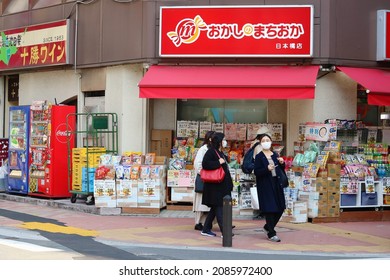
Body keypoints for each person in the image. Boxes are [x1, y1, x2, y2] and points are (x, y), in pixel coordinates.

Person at [253, 133, 286, 242]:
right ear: (260, 143)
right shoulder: (259, 156)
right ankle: (271, 233)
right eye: (263, 141)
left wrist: (282, 163)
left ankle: (268, 227)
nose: (266, 142)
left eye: (267, 140)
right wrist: (266, 168)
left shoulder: (275, 155)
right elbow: (257, 172)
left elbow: (280, 169)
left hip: (277, 183)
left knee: (281, 207)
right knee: (270, 209)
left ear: (271, 141)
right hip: (266, 185)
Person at [200, 132, 233, 237]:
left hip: (220, 186)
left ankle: (206, 229)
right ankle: (225, 232)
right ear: (219, 141)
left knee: (214, 209)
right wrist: (218, 162)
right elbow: (205, 164)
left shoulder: (219, 152)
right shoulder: (211, 152)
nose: (225, 141)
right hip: (215, 187)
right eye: (224, 139)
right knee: (219, 209)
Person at [193, 130, 215, 231]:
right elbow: (197, 164)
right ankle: (198, 222)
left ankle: (207, 222)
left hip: (211, 179)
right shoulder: (203, 149)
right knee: (201, 202)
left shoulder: (213, 149)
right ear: (210, 139)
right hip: (204, 179)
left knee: (209, 203)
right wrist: (205, 173)